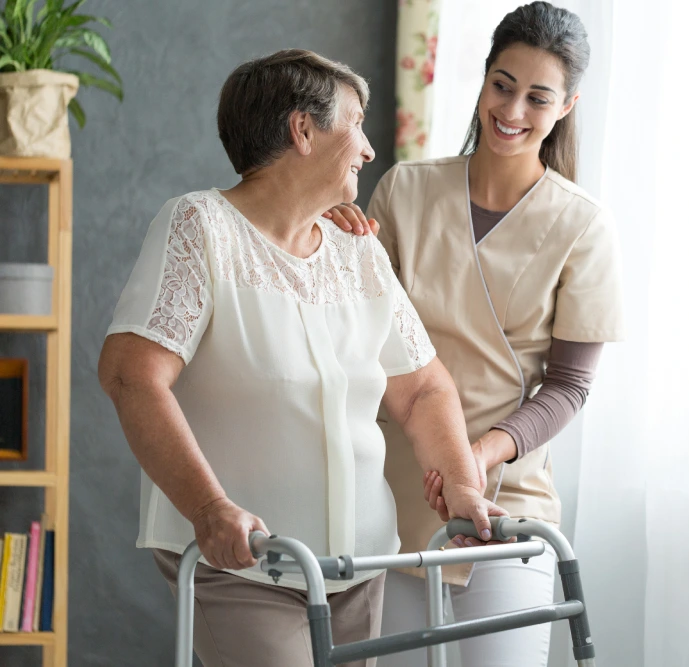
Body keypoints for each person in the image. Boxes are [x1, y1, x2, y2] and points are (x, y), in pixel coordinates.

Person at [97, 49, 503, 667]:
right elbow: (131, 375)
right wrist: (210, 510)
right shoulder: (201, 228)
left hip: (359, 566)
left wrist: (463, 486)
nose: (369, 150)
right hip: (244, 564)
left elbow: (422, 390)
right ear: (303, 130)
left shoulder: (357, 249)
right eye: (357, 124)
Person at [323, 3, 625, 665]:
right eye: (502, 84)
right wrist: (334, 248)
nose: (513, 110)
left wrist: (480, 454)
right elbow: (354, 335)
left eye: (537, 97)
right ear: (484, 79)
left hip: (506, 503)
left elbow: (570, 387)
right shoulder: (404, 190)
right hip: (396, 501)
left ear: (567, 105)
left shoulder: (584, 226)